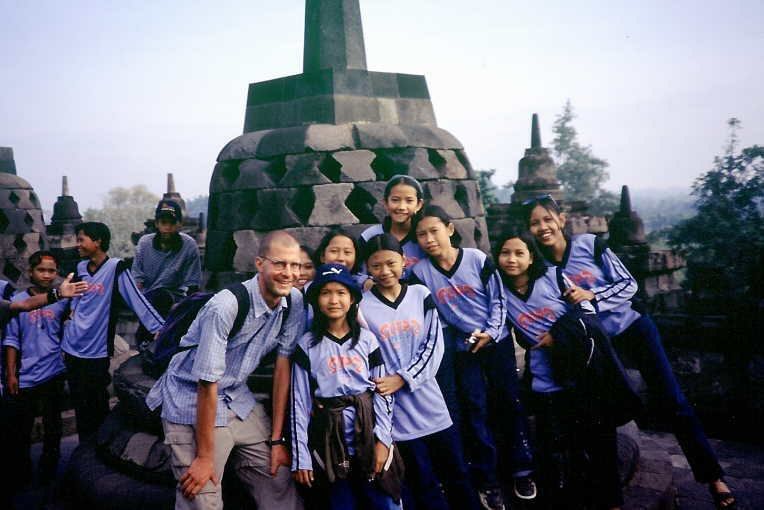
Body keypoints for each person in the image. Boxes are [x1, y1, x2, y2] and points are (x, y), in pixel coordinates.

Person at [524, 194, 736, 509]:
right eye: (535, 223)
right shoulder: (540, 269)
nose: (543, 227)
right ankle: (612, 500)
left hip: (633, 328)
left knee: (673, 401)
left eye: (547, 219)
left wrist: (591, 295)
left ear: (561, 219)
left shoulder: (587, 246)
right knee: (602, 418)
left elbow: (629, 284)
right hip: (597, 347)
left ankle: (713, 477)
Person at [146, 230, 305, 510]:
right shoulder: (225, 307)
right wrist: (205, 457)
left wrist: (278, 439)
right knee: (200, 495)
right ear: (259, 263)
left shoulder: (294, 301)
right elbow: (206, 383)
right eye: (279, 264)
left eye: (295, 265)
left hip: (237, 397)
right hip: (190, 399)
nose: (288, 273)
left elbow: (284, 366)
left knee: (277, 478)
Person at [495, 228, 641, 510]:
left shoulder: (553, 277)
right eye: (504, 253)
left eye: (518, 253)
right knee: (558, 452)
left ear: (531, 258)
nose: (511, 259)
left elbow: (586, 311)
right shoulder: (501, 291)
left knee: (600, 443)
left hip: (581, 370)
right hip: (545, 378)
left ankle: (612, 503)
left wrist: (557, 336)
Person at [409, 205, 536, 510]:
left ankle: (522, 470)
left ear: (450, 229)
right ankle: (488, 480)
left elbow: (499, 301)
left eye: (434, 231)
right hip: (463, 349)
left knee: (509, 402)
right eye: (422, 234)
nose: (429, 239)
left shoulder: (476, 260)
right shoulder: (420, 272)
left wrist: (490, 333)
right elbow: (431, 313)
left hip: (497, 342)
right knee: (474, 409)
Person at [360, 234, 481, 510]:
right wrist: (387, 384)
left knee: (457, 474)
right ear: (367, 267)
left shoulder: (420, 295)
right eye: (376, 266)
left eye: (391, 263)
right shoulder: (362, 307)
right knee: (422, 482)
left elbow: (434, 346)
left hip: (431, 403)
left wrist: (403, 378)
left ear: (403, 261)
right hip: (397, 413)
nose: (385, 271)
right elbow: (371, 357)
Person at [290, 263, 401, 510]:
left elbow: (382, 394)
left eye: (341, 293)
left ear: (352, 299)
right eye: (325, 292)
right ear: (316, 300)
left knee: (385, 502)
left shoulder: (367, 340)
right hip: (330, 438)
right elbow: (299, 403)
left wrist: (383, 441)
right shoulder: (307, 345)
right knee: (342, 503)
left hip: (368, 435)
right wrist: (302, 458)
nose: (333, 300)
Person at [63, 221, 165, 440]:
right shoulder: (80, 269)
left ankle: (96, 448)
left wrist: (160, 328)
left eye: (82, 239)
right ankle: (83, 450)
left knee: (97, 404)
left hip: (96, 350)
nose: (77, 245)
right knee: (80, 403)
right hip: (72, 346)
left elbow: (136, 299)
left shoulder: (115, 268)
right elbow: (76, 302)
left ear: (98, 241)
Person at [3, 252, 70, 488]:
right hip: (26, 375)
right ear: (30, 272)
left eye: (52, 271)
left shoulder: (63, 300)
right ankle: (21, 472)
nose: (46, 275)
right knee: (21, 428)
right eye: (41, 270)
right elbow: (12, 340)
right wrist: (11, 374)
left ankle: (49, 470)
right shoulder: (17, 300)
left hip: (53, 371)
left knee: (53, 427)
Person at [132, 199, 202, 316]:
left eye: (172, 223)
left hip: (177, 300)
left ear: (180, 224)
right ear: (157, 224)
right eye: (164, 222)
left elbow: (192, 285)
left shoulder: (189, 246)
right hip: (148, 300)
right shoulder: (145, 244)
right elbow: (137, 280)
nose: (167, 227)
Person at [358, 175, 426, 285]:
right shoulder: (370, 236)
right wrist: (364, 282)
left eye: (409, 201)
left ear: (418, 205)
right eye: (395, 200)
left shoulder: (424, 237)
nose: (401, 207)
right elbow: (354, 272)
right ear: (385, 203)